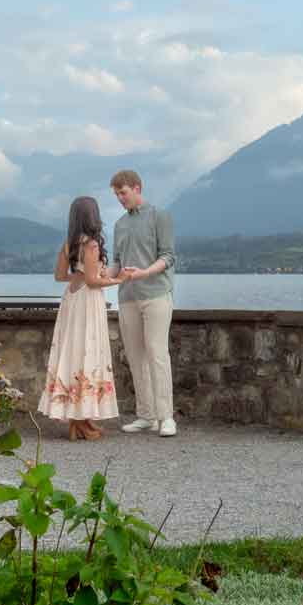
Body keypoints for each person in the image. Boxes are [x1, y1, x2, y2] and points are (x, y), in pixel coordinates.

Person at [38, 195, 140, 440]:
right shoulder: (92, 245)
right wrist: (119, 279)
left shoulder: (70, 244)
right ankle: (79, 419)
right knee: (88, 351)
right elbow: (94, 282)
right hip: (88, 302)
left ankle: (81, 419)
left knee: (74, 352)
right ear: (93, 217)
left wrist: (79, 275)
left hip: (72, 300)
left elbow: (60, 276)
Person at [109, 169, 177, 437]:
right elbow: (117, 262)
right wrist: (101, 277)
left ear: (137, 188)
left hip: (156, 294)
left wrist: (145, 272)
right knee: (136, 358)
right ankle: (146, 416)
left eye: (123, 193)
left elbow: (168, 256)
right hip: (127, 297)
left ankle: (166, 417)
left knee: (157, 354)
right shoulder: (119, 225)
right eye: (116, 194)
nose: (120, 198)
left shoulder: (160, 216)